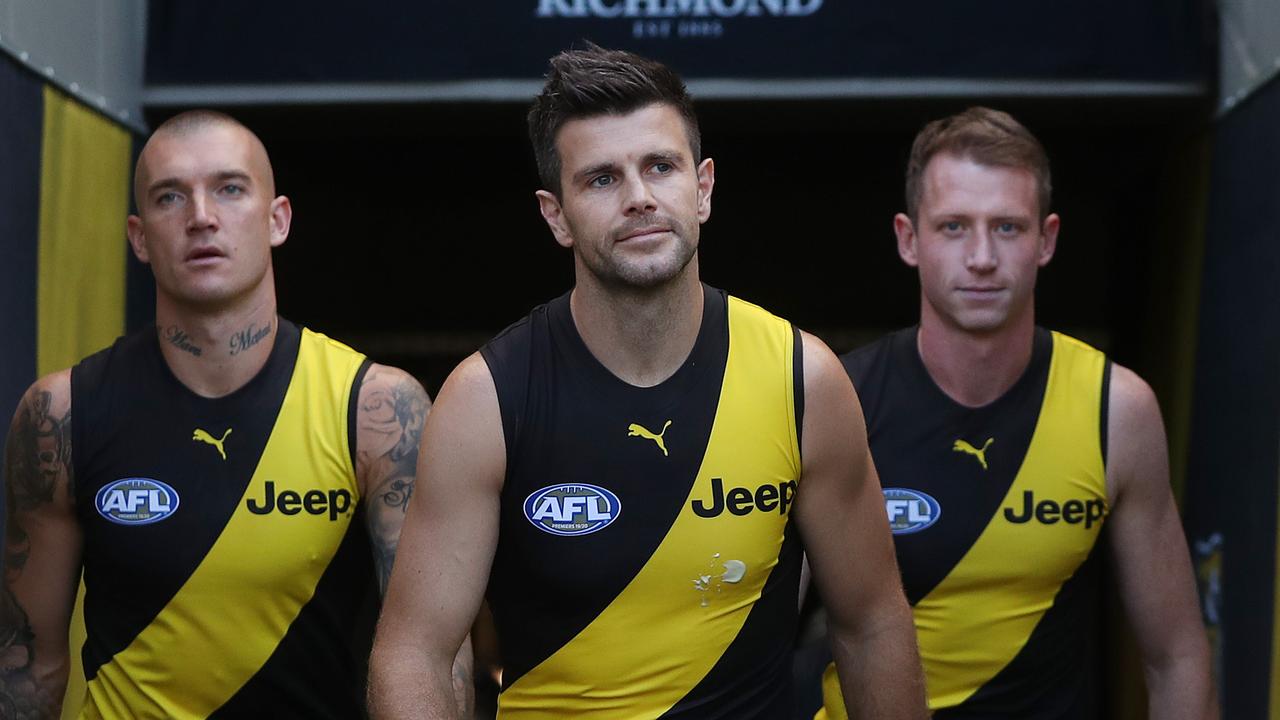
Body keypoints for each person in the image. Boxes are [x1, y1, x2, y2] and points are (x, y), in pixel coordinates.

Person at [368, 45, 928, 719]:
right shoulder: (485, 399)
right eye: (601, 179)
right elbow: (414, 653)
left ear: (704, 187)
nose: (639, 198)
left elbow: (872, 623)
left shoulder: (802, 377)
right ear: (555, 215)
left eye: (660, 166)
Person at [0, 110, 472, 718]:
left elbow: (431, 656)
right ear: (139, 238)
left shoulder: (375, 409)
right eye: (171, 197)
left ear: (277, 220)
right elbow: (26, 665)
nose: (201, 216)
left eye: (229, 188)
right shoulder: (61, 414)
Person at [816, 107, 1215, 719]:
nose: (981, 257)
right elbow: (751, 641)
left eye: (1007, 227)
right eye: (953, 227)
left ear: (1046, 239)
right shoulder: (837, 398)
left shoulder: (1116, 409)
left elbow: (1177, 656)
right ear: (908, 239)